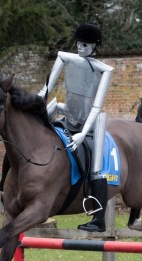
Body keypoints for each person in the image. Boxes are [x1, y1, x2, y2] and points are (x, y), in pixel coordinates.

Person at [38, 23, 114, 233]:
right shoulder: (65, 57)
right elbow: (48, 85)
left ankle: (98, 218)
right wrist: (41, 95)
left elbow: (97, 106)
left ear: (94, 46)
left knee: (96, 166)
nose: (81, 48)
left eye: (86, 45)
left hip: (91, 121)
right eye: (79, 44)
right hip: (68, 112)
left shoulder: (103, 69)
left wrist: (82, 134)